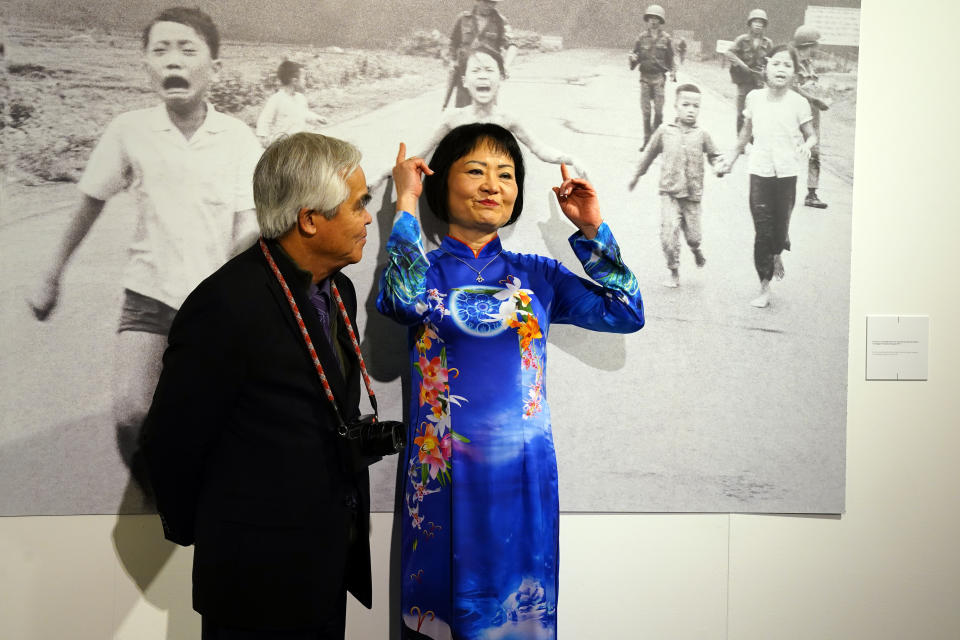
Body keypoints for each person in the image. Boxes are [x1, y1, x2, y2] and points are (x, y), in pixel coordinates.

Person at [377, 123, 645, 639]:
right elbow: (401, 303)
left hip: (521, 478)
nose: (491, 185)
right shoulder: (423, 273)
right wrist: (405, 203)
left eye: (506, 174)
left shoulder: (538, 276)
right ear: (441, 184)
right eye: (475, 170)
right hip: (442, 479)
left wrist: (592, 230)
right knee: (440, 615)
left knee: (517, 618)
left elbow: (626, 311)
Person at [141, 132, 376, 638]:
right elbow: (170, 442)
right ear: (310, 219)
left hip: (325, 560)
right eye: (358, 205)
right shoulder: (224, 306)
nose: (367, 218)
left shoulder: (339, 290)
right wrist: (215, 535)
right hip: (253, 579)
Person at [26, 6, 263, 491]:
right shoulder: (129, 130)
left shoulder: (238, 139)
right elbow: (89, 201)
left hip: (214, 307)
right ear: (146, 66)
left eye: (187, 49)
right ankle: (156, 487)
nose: (173, 60)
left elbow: (248, 223)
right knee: (133, 411)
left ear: (214, 67)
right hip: (148, 294)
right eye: (160, 50)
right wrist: (52, 272)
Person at [718, 45, 817, 309]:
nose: (781, 69)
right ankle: (764, 286)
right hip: (759, 171)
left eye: (787, 65)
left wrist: (807, 146)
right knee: (763, 231)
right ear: (766, 67)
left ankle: (777, 253)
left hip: (787, 174)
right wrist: (730, 158)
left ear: (794, 73)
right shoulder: (754, 98)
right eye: (777, 63)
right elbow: (745, 134)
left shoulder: (799, 103)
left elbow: (811, 135)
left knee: (780, 230)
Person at [409, 46, 587, 179]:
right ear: (464, 81)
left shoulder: (507, 120)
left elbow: (539, 148)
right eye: (476, 70)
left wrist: (571, 159)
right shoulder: (452, 118)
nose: (483, 76)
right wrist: (385, 172)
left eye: (489, 70)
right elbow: (417, 155)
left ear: (500, 78)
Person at [629, 84, 722, 288]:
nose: (691, 109)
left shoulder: (702, 134)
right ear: (676, 106)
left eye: (695, 106)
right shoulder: (664, 131)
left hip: (692, 195)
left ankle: (696, 249)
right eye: (686, 104)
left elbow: (715, 155)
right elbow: (648, 155)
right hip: (669, 192)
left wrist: (719, 166)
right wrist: (636, 175)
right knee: (669, 234)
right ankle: (674, 271)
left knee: (694, 237)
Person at [445, 0, 517, 109]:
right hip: (466, 73)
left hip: (488, 74)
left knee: (487, 111)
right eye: (486, 2)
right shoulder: (463, 19)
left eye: (493, 3)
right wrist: (452, 61)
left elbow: (512, 45)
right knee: (463, 111)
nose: (489, 6)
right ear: (477, 1)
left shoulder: (500, 21)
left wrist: (506, 66)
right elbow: (453, 44)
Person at [792, 25, 831, 209]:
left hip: (812, 113)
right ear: (808, 44)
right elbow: (793, 87)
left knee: (814, 151)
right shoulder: (793, 62)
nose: (817, 48)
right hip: (795, 112)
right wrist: (815, 99)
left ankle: (812, 193)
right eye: (815, 44)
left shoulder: (809, 64)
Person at [629, 4, 676, 150]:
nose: (653, 21)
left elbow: (671, 59)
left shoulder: (666, 39)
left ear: (661, 21)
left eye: (656, 18)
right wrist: (632, 58)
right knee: (646, 111)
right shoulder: (641, 38)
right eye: (651, 18)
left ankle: (655, 141)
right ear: (647, 20)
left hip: (659, 78)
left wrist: (673, 71)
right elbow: (634, 58)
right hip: (645, 77)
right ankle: (646, 140)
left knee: (659, 111)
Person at [256, 59, 328, 146]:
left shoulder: (301, 98)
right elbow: (264, 120)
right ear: (294, 81)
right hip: (283, 146)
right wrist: (263, 138)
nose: (305, 81)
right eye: (303, 79)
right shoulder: (276, 99)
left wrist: (317, 118)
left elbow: (304, 113)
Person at [725, 8, 773, 135]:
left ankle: (753, 137)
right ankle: (740, 140)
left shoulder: (768, 43)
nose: (758, 25)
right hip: (743, 81)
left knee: (757, 111)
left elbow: (771, 61)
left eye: (761, 22)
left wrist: (767, 73)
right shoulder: (742, 40)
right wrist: (741, 65)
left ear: (764, 26)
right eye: (755, 22)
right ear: (750, 24)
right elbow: (729, 53)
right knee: (741, 112)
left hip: (759, 82)